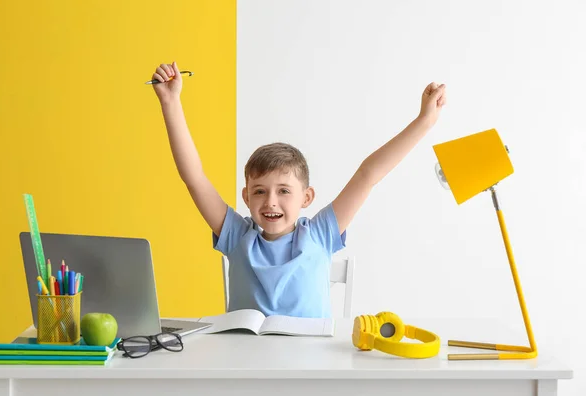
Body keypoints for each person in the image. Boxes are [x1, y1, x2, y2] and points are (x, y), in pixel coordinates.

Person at [151, 61, 446, 318]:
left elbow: (367, 175)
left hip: (309, 370)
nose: (271, 202)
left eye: (283, 191)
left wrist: (424, 121)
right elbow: (194, 178)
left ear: (307, 198)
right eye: (259, 191)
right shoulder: (237, 237)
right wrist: (170, 103)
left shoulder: (320, 234)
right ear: (246, 197)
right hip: (246, 367)